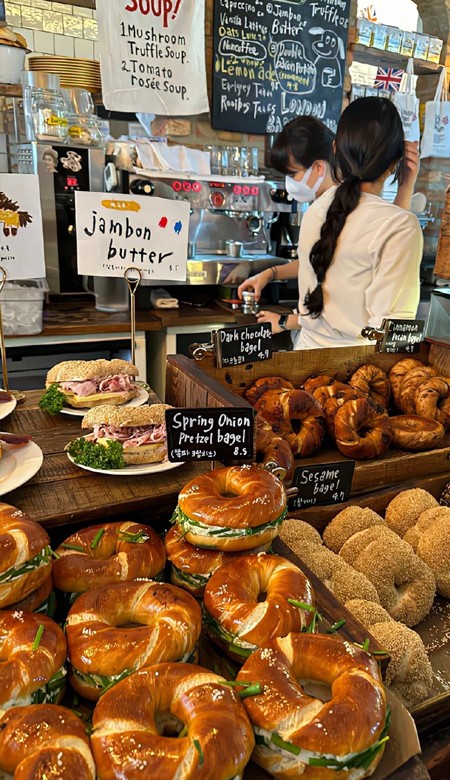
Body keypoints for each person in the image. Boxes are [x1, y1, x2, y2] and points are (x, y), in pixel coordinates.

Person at [238, 110, 421, 338]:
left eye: (293, 174)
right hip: (356, 366)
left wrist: (283, 310)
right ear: (395, 161)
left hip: (308, 349)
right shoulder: (395, 224)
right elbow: (390, 327)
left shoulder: (318, 210)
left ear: (336, 149)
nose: (290, 183)